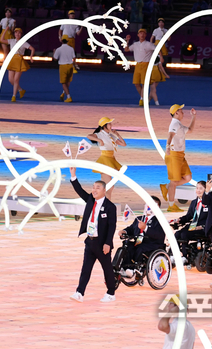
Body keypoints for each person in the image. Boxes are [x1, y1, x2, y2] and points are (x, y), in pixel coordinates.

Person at [68, 166, 117, 303]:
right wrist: (73, 175)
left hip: (102, 243)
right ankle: (79, 293)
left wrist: (108, 243)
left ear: (104, 190)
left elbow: (112, 226)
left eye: (98, 188)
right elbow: (79, 190)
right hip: (90, 241)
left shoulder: (110, 207)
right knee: (86, 269)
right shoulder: (90, 200)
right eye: (93, 187)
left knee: (107, 269)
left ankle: (111, 293)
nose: (94, 190)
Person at [160, 105, 196, 212]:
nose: (183, 112)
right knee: (174, 181)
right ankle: (171, 205)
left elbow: (190, 130)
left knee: (188, 177)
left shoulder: (178, 124)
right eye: (181, 111)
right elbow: (170, 135)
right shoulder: (174, 124)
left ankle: (167, 187)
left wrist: (193, 117)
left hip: (180, 155)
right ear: (176, 113)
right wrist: (167, 147)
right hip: (173, 155)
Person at [117, 196, 166, 269]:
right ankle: (124, 267)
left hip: (153, 244)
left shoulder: (160, 220)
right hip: (139, 242)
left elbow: (159, 234)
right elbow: (131, 229)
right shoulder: (139, 218)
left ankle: (136, 268)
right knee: (127, 245)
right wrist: (124, 231)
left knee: (140, 248)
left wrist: (146, 228)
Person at [87, 117, 126, 200]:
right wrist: (99, 140)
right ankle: (105, 204)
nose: (111, 125)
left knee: (108, 186)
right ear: (104, 125)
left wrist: (117, 134)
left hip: (111, 158)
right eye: (109, 124)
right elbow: (89, 136)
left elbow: (123, 144)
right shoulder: (100, 134)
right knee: (108, 186)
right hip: (105, 159)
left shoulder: (110, 136)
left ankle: (104, 203)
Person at [173, 180, 209, 263]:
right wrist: (180, 220)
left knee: (184, 234)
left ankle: (185, 256)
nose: (198, 190)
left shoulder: (209, 203)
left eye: (201, 188)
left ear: (206, 190)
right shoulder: (194, 202)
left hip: (203, 227)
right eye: (197, 188)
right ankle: (174, 255)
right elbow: (189, 216)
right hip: (193, 226)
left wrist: (202, 226)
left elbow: (211, 218)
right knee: (177, 234)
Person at [124, 28, 156, 106]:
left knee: (144, 83)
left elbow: (157, 49)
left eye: (143, 33)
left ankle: (141, 99)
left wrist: (159, 58)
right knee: (136, 83)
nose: (142, 35)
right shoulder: (135, 44)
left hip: (146, 64)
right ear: (138, 35)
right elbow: (126, 49)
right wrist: (127, 41)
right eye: (140, 33)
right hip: (138, 65)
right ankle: (145, 98)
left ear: (145, 35)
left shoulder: (149, 44)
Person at [6, 27, 35, 102]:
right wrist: (5, 30)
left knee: (16, 80)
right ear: (14, 34)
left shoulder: (23, 42)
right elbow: (1, 40)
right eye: (16, 32)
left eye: (19, 33)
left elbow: (32, 49)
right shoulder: (12, 41)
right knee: (10, 79)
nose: (17, 34)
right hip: (12, 60)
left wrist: (31, 57)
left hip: (19, 60)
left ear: (21, 34)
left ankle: (14, 96)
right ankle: (20, 90)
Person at [54, 38, 77, 103]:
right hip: (70, 66)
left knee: (63, 83)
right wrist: (74, 65)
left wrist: (54, 52)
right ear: (68, 41)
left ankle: (68, 97)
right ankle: (63, 93)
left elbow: (55, 59)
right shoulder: (71, 49)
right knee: (68, 81)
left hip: (63, 66)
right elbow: (74, 58)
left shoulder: (58, 49)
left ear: (61, 41)